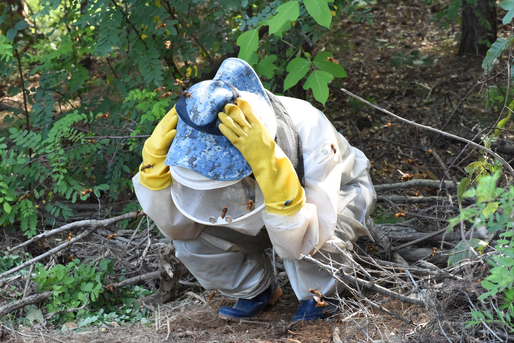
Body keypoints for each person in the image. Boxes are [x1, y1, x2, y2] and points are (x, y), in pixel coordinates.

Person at [132, 58, 376, 322]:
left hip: (333, 200)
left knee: (319, 239)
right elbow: (179, 229)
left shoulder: (309, 125)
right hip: (259, 212)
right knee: (193, 242)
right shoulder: (188, 133)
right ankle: (256, 291)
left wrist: (273, 174)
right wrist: (154, 178)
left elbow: (307, 239)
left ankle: (323, 294)